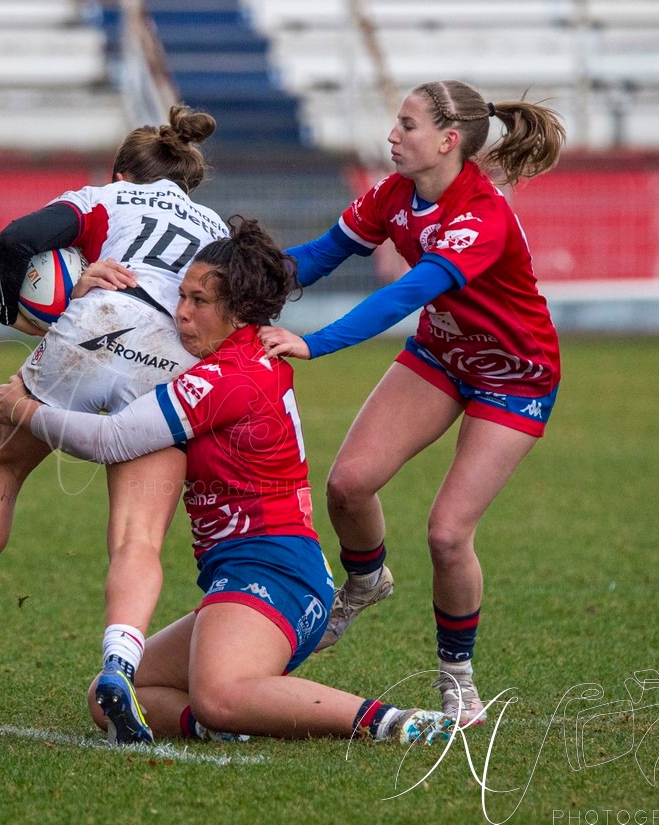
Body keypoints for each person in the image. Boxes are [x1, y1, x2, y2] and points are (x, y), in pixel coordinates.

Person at [0, 218, 452, 745]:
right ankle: (219, 728)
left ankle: (394, 722)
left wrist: (24, 409)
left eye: (199, 301)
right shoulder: (244, 355)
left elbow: (112, 440)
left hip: (275, 572)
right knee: (107, 696)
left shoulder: (225, 378)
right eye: (181, 296)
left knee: (219, 693)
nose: (181, 312)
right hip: (252, 574)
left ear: (238, 312)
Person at [0, 104, 230, 744]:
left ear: (120, 172)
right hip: (172, 355)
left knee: (2, 468)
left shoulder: (104, 197)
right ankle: (120, 666)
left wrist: (15, 312)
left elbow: (16, 239)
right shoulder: (214, 226)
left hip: (93, 328)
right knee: (137, 538)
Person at [258, 80, 566, 727]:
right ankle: (366, 580)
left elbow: (404, 294)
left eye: (406, 124)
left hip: (514, 376)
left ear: (448, 141)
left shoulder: (480, 214)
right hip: (442, 356)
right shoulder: (393, 193)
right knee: (347, 485)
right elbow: (319, 256)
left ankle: (458, 680)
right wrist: (232, 280)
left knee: (447, 535)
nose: (392, 135)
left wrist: (314, 341)